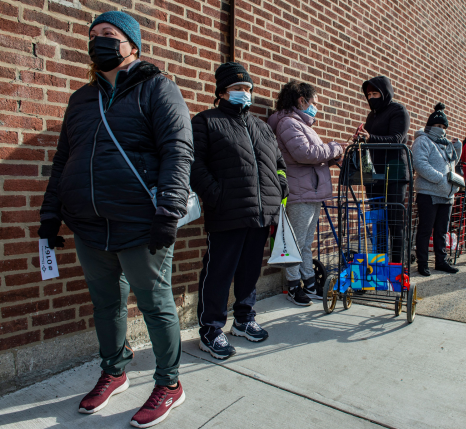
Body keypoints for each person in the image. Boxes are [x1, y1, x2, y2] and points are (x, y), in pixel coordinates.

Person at [37, 12, 193, 427]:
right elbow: (63, 160)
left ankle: (169, 383)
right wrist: (51, 213)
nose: (97, 42)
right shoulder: (80, 99)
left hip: (141, 222)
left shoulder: (158, 88)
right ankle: (114, 369)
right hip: (88, 224)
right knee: (106, 304)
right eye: (93, 36)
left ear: (132, 46)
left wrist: (168, 212)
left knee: (155, 305)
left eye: (108, 35)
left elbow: (179, 151)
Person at [190, 62, 288, 360]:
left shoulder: (262, 127)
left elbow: (279, 166)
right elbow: (194, 164)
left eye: (247, 88)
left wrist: (280, 188)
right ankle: (210, 328)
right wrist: (215, 194)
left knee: (249, 271)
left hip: (261, 213)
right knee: (219, 272)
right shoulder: (206, 121)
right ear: (221, 92)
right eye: (237, 88)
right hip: (227, 211)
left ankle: (244, 319)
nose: (244, 93)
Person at [267, 81, 344, 305]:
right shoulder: (288, 123)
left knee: (305, 242)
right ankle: (293, 286)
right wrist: (334, 148)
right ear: (301, 100)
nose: (315, 107)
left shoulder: (302, 125)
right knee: (295, 242)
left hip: (310, 191)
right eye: (314, 102)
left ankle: (309, 282)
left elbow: (311, 157)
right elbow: (304, 153)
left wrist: (329, 156)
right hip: (299, 192)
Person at [355, 76, 410, 263]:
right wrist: (362, 138)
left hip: (394, 172)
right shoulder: (372, 115)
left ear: (385, 92)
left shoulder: (398, 110)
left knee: (395, 221)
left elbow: (397, 138)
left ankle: (396, 265)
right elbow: (370, 139)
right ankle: (379, 264)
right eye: (368, 94)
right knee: (378, 220)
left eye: (375, 93)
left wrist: (370, 138)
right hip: (375, 174)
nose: (371, 97)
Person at [412, 103, 462, 276]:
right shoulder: (422, 140)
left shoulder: (446, 144)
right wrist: (440, 178)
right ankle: (422, 263)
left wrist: (458, 148)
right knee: (425, 230)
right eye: (437, 126)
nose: (440, 129)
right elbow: (419, 163)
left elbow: (451, 164)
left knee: (442, 231)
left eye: (443, 127)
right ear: (429, 126)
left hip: (447, 194)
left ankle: (441, 261)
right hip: (428, 193)